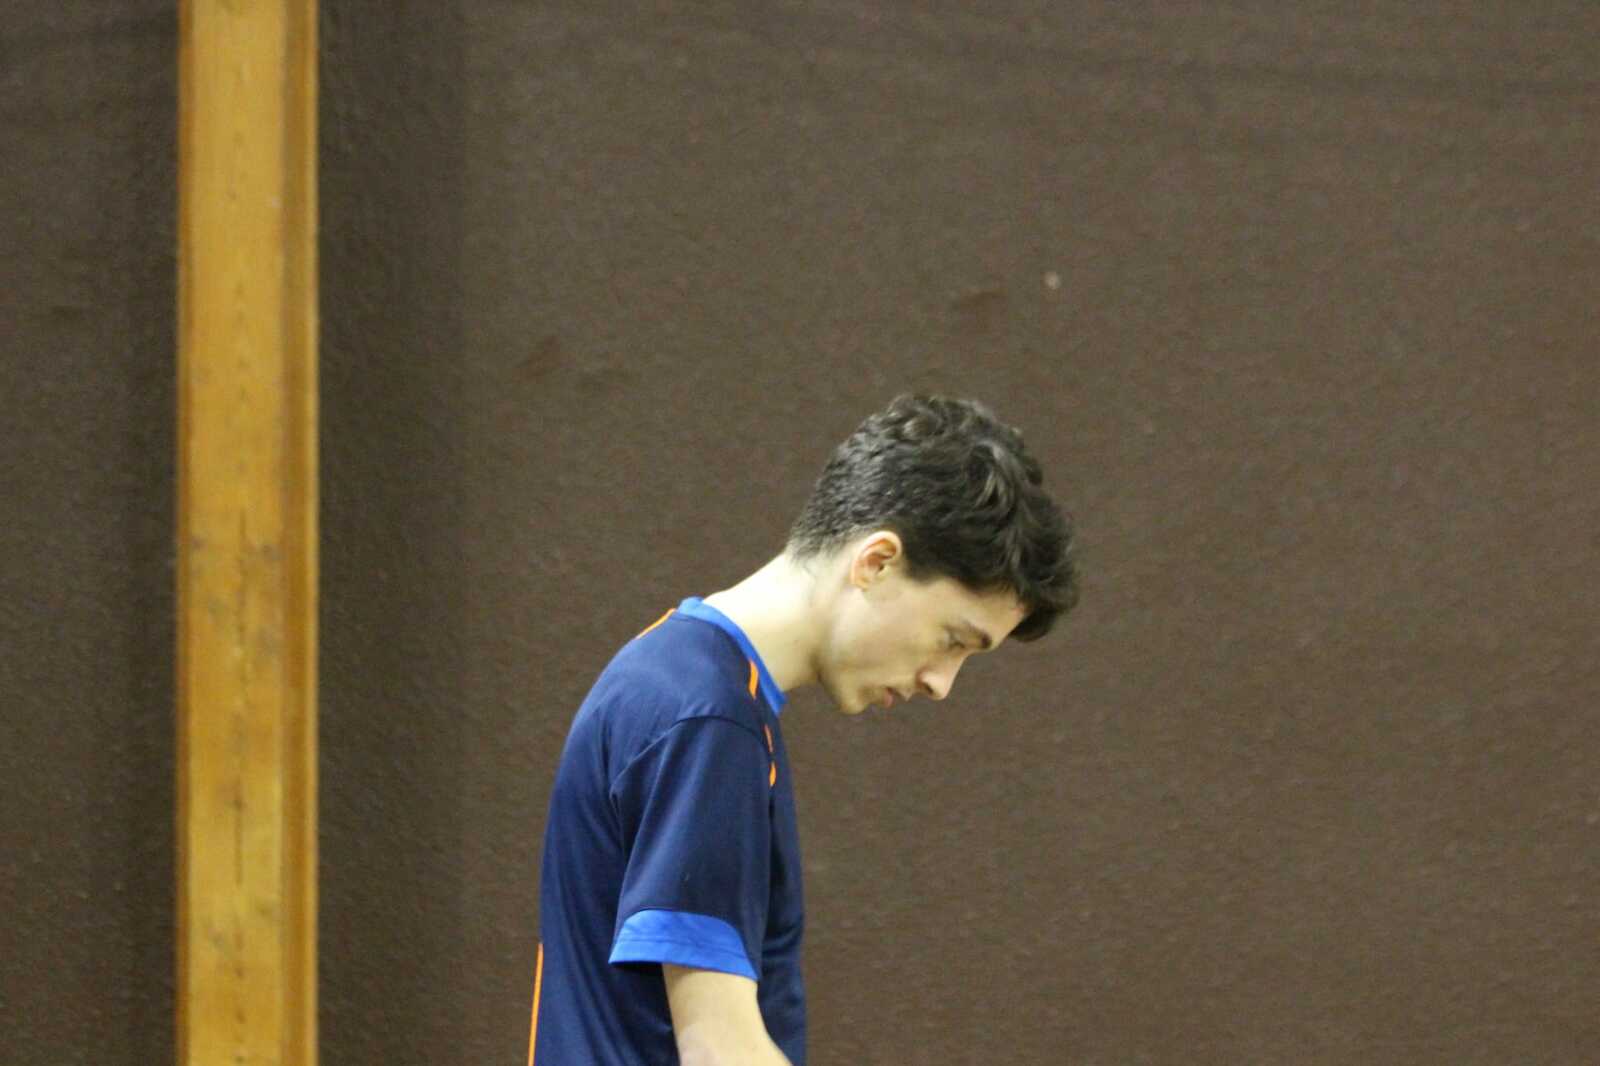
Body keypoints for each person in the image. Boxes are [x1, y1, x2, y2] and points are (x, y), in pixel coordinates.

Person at [527, 394, 1079, 1066]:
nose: (941, 682)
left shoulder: (671, 675)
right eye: (953, 639)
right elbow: (719, 1049)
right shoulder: (710, 718)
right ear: (876, 561)